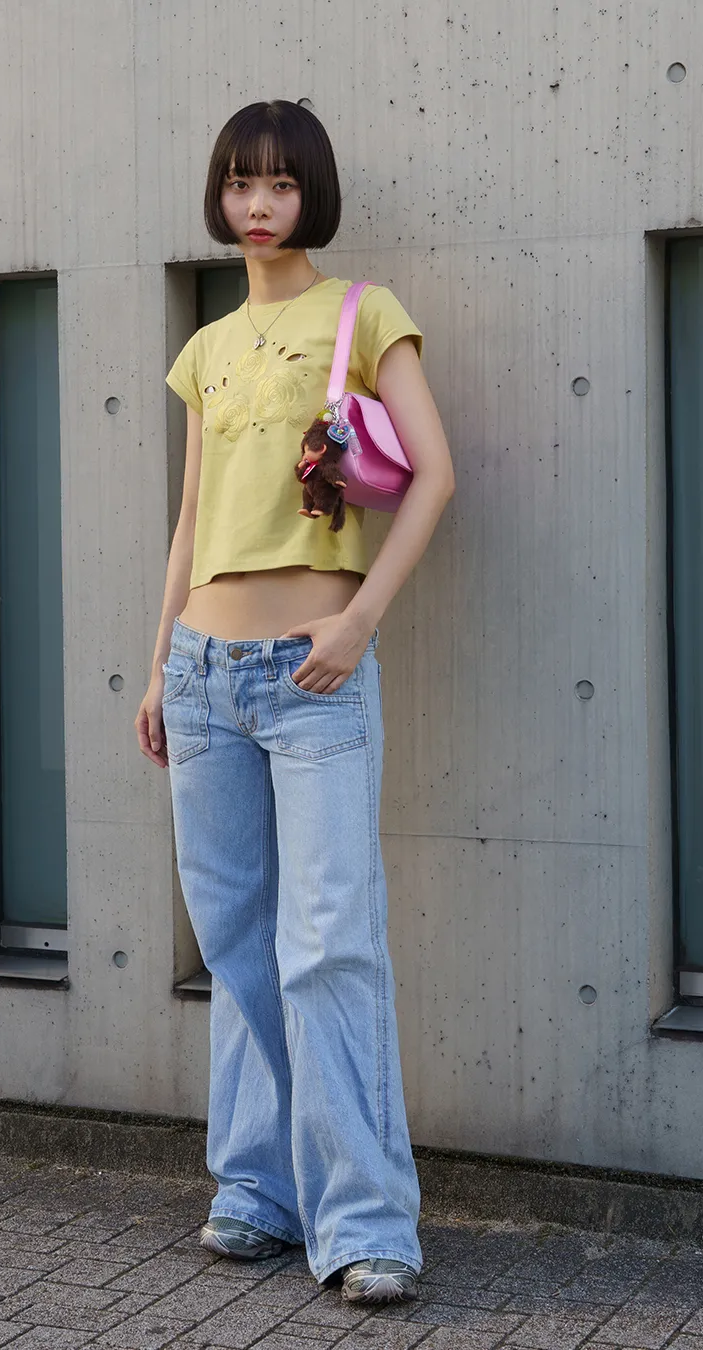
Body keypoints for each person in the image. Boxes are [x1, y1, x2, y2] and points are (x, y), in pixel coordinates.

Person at [135, 99, 455, 1305]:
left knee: (328, 947)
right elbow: (191, 524)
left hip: (314, 676)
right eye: (239, 183)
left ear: (310, 192)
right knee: (238, 947)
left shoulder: (364, 314)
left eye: (278, 183)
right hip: (205, 676)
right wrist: (159, 665)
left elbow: (436, 476)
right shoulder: (208, 347)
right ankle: (260, 1187)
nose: (257, 205)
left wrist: (359, 620)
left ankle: (366, 1222)